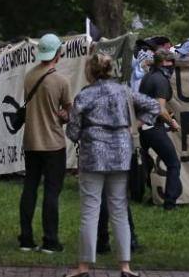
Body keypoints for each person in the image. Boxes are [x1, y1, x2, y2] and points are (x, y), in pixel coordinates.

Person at [65, 52, 159, 277]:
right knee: (119, 209)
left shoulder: (85, 96)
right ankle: (125, 265)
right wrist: (134, 125)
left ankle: (84, 266)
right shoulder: (123, 91)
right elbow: (153, 106)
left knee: (90, 210)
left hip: (93, 156)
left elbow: (73, 130)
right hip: (121, 153)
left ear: (91, 71)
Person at [19, 33, 72, 253]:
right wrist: (62, 114)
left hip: (31, 141)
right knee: (51, 191)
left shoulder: (29, 76)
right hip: (53, 143)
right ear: (58, 54)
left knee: (29, 188)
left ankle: (26, 239)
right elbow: (68, 112)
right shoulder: (61, 80)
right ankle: (50, 240)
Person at [138, 49, 182, 210]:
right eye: (170, 63)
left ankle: (149, 196)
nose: (171, 66)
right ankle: (170, 204)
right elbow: (159, 109)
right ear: (165, 63)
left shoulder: (147, 77)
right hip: (153, 127)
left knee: (147, 165)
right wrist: (172, 123)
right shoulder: (161, 80)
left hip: (143, 127)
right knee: (173, 164)